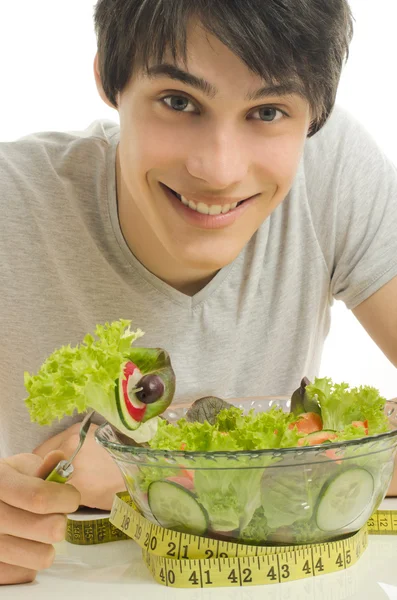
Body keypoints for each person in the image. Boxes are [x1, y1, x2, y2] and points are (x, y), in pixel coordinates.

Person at [1, 0, 396, 586]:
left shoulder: (330, 170)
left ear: (314, 118)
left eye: (267, 112)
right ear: (111, 83)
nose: (218, 168)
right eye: (179, 102)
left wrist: (157, 462)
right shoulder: (13, 203)